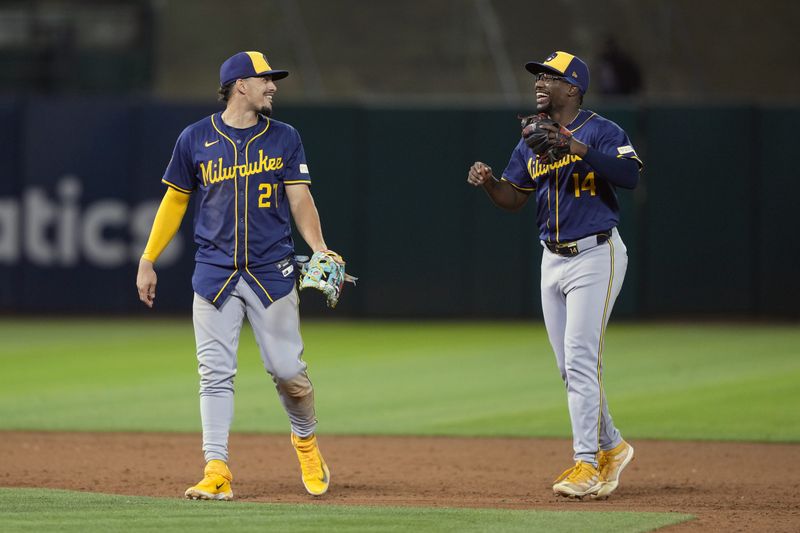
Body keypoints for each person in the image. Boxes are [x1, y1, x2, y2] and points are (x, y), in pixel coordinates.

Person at [136, 51, 335, 500]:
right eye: (266, 79)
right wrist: (148, 258)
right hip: (213, 271)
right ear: (239, 85)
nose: (273, 86)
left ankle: (305, 440)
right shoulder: (195, 138)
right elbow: (175, 201)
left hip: (272, 270)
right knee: (214, 374)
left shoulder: (285, 137)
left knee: (287, 371)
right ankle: (216, 469)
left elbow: (300, 199)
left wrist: (319, 247)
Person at [466, 51, 641, 499]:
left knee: (582, 361)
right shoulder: (532, 139)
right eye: (538, 77)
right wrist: (489, 182)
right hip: (552, 258)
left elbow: (629, 175)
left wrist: (578, 148)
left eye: (551, 77)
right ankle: (612, 446)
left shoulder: (602, 129)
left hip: (596, 254)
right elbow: (514, 198)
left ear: (574, 88)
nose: (541, 83)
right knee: (569, 367)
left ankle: (586, 464)